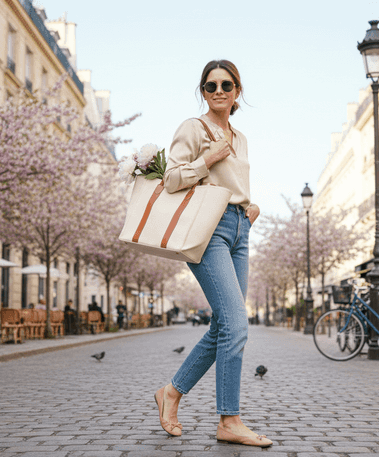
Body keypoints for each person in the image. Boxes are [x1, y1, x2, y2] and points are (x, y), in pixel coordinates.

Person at [153, 60, 270, 447]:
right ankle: (229, 420)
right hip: (209, 230)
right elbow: (171, 179)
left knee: (225, 324)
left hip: (239, 228)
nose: (218, 91)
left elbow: (235, 184)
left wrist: (249, 207)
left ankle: (172, 392)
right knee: (236, 322)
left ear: (238, 90)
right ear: (203, 91)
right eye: (210, 85)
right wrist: (208, 159)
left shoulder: (242, 137)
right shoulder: (193, 127)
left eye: (226, 84)